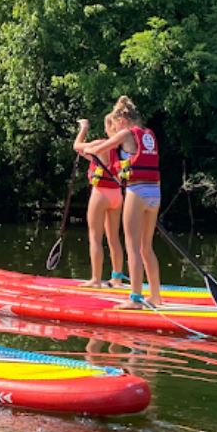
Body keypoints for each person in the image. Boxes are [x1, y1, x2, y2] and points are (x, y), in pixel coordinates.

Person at [77, 96, 161, 308]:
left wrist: (87, 149)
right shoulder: (149, 134)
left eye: (117, 122)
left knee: (133, 246)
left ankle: (135, 299)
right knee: (147, 248)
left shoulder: (126, 133)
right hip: (155, 193)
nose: (116, 126)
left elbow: (100, 148)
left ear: (123, 119)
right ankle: (155, 296)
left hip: (137, 191)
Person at [72, 113, 126, 288]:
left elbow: (77, 146)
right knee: (114, 238)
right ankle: (116, 278)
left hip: (101, 193)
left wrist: (84, 128)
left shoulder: (100, 144)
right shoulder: (124, 147)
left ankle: (96, 279)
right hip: (117, 195)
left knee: (95, 237)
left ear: (110, 128)